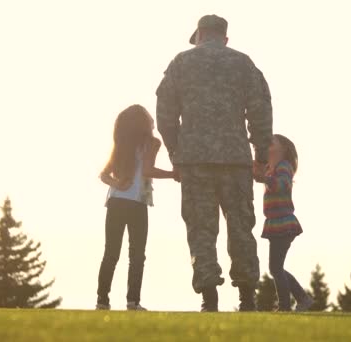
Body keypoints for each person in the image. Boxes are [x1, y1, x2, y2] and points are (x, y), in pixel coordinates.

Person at [156, 14, 273, 312]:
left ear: (199, 34)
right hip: (236, 161)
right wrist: (260, 157)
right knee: (241, 227)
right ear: (225, 38)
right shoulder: (244, 64)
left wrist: (174, 153)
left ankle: (209, 298)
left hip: (195, 161)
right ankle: (247, 297)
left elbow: (165, 114)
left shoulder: (181, 63)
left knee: (201, 229)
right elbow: (261, 112)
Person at [96, 104, 177, 311]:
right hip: (137, 204)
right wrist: (173, 174)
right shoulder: (152, 143)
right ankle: (133, 302)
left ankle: (102, 301)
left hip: (115, 202)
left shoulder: (122, 145)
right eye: (149, 118)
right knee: (137, 255)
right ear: (143, 122)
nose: (152, 120)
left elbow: (104, 175)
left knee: (111, 253)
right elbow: (148, 170)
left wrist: (117, 184)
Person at [253, 134, 313, 311]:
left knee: (275, 268)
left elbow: (282, 184)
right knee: (276, 267)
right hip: (275, 224)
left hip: (283, 224)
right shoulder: (271, 168)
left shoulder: (284, 167)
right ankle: (302, 299)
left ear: (283, 149)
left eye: (273, 141)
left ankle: (287, 306)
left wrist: (265, 179)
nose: (269, 141)